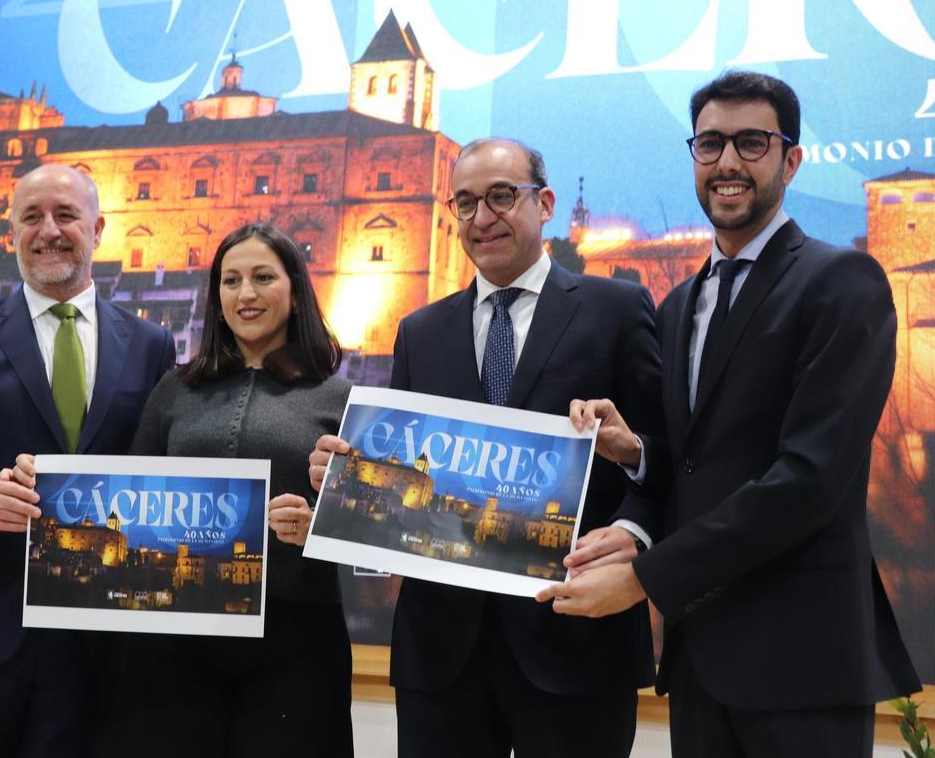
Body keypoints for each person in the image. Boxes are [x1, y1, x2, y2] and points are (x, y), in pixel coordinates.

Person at [537, 70, 922, 757]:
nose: (728, 162)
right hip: (700, 662)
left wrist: (645, 578)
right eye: (710, 144)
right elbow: (700, 464)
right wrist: (638, 455)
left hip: (803, 660)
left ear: (790, 160)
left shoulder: (841, 281)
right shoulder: (679, 304)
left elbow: (810, 478)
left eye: (752, 143)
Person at [310, 138, 664, 758]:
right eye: (466, 203)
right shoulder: (420, 331)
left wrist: (632, 465)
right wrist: (346, 477)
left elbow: (666, 454)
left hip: (577, 641)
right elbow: (406, 472)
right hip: (442, 652)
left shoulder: (616, 309)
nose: (482, 217)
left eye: (502, 196)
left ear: (545, 203)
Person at [13, 223, 354, 757]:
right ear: (216, 298)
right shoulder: (175, 389)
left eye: (263, 277)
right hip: (171, 643)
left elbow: (370, 533)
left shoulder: (340, 399)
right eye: (230, 280)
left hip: (297, 642)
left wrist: (320, 526)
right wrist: (49, 493)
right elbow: (125, 499)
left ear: (295, 291)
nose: (245, 293)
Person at [0, 164, 175, 758]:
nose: (48, 230)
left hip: (97, 648)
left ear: (97, 230)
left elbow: (165, 473)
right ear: (13, 233)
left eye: (65, 215)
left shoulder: (152, 346)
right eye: (31, 217)